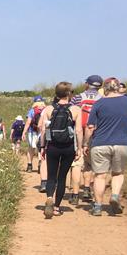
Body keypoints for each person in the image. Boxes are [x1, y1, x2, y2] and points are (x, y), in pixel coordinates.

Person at [84, 77, 127, 216]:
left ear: (105, 88)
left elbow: (90, 127)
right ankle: (115, 196)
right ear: (118, 87)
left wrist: (86, 144)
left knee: (100, 175)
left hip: (100, 143)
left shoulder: (98, 104)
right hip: (122, 143)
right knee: (118, 173)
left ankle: (97, 206)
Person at [39, 82, 83, 218]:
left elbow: (44, 129)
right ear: (69, 93)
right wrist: (79, 148)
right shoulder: (75, 109)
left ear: (56, 93)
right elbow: (79, 130)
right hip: (68, 147)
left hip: (52, 146)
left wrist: (43, 146)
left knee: (51, 175)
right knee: (62, 177)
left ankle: (49, 197)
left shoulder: (48, 109)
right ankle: (57, 207)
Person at [69, 75, 102, 204]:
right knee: (90, 164)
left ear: (87, 84)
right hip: (95, 134)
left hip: (78, 133)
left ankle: (75, 195)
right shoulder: (102, 99)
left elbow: (70, 114)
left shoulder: (77, 98)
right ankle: (87, 189)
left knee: (77, 164)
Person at [22, 96, 46, 174]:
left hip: (32, 131)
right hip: (42, 131)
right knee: (40, 147)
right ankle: (40, 164)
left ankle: (29, 165)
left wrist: (24, 132)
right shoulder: (45, 110)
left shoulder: (32, 111)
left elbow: (28, 122)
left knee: (31, 148)